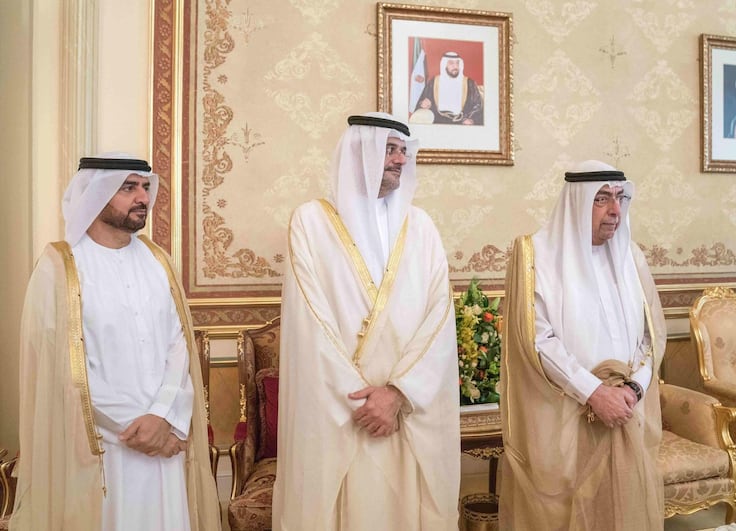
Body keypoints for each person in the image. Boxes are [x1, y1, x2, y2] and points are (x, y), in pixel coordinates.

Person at [12, 154, 221, 531]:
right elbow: (63, 370)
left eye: (145, 186)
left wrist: (163, 418)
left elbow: (179, 348)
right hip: (101, 449)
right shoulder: (61, 267)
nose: (143, 197)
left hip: (164, 441)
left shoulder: (159, 262)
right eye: (128, 188)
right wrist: (137, 428)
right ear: (96, 193)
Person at [273, 112, 460, 530]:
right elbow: (310, 325)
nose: (399, 160)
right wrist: (365, 401)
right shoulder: (310, 221)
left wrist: (396, 394)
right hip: (343, 414)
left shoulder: (422, 227)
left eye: (403, 152)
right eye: (390, 149)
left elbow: (438, 318)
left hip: (404, 413)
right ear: (359, 152)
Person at [499, 160, 666, 530]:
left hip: (625, 411)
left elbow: (650, 335)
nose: (614, 211)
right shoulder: (536, 258)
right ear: (577, 201)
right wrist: (593, 393)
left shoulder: (631, 257)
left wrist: (634, 389)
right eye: (602, 199)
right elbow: (537, 341)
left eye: (620, 198)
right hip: (563, 416)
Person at [414, 51, 484, 125]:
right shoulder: (434, 82)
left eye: (457, 63)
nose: (455, 66)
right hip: (438, 121)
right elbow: (422, 101)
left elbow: (478, 105)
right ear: (444, 65)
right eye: (451, 63)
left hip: (462, 121)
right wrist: (423, 104)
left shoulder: (469, 83)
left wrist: (471, 119)